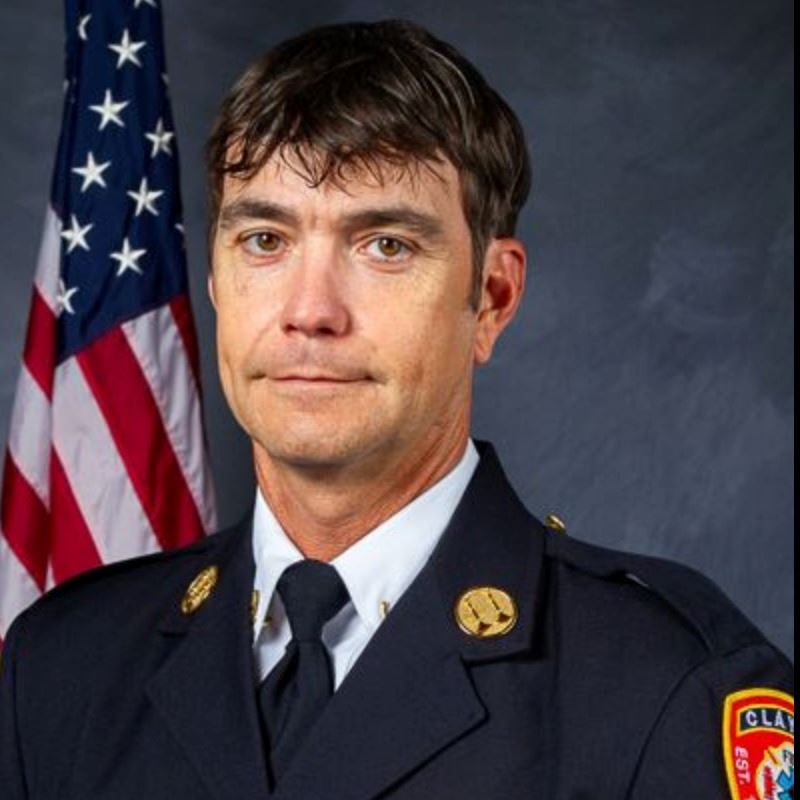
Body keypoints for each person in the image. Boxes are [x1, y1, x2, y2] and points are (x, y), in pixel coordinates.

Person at [0, 19, 793, 800]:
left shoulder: (667, 689)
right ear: (214, 279)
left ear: (492, 298)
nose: (309, 311)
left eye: (385, 245)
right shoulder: (63, 668)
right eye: (265, 240)